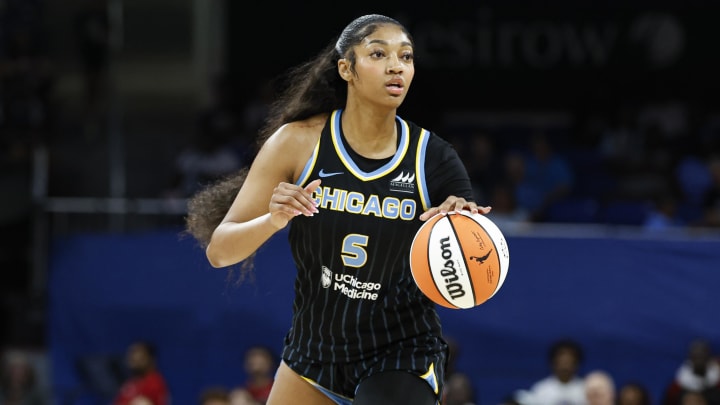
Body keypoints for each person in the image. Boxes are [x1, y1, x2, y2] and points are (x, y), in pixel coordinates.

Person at [185, 13, 487, 405]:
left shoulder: (434, 158)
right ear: (347, 68)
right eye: (379, 54)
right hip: (314, 352)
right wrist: (273, 220)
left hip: (400, 352)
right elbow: (220, 252)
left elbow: (472, 266)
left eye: (406, 57)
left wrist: (462, 222)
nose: (396, 66)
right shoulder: (296, 143)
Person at [512, 339, 587, 405]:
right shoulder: (541, 389)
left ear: (577, 363)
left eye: (569, 363)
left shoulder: (585, 389)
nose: (565, 367)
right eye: (562, 363)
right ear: (553, 363)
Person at [662, 339, 720, 405]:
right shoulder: (676, 387)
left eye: (702, 356)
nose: (699, 360)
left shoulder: (718, 382)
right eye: (696, 356)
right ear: (690, 358)